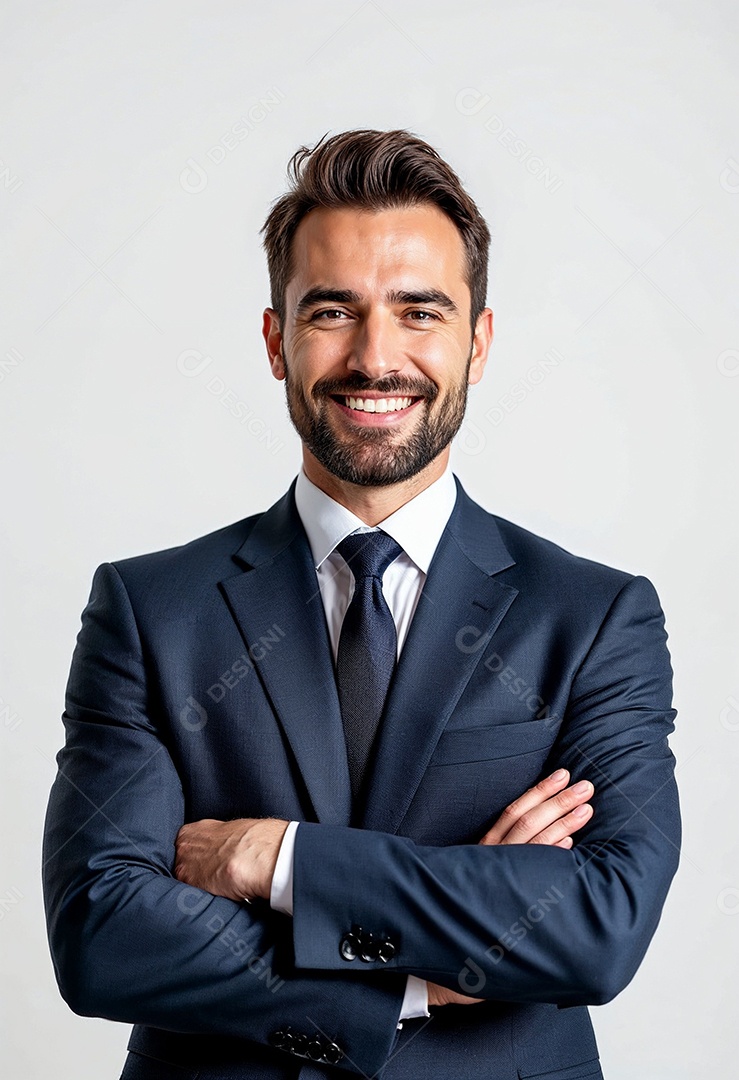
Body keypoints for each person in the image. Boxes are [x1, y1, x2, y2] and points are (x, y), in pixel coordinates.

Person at [42, 129, 680, 1080]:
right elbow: (103, 933)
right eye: (332, 311)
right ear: (276, 340)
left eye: (420, 312)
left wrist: (283, 862)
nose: (375, 357)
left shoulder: (592, 618)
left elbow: (597, 926)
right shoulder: (149, 609)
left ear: (480, 340)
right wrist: (423, 975)